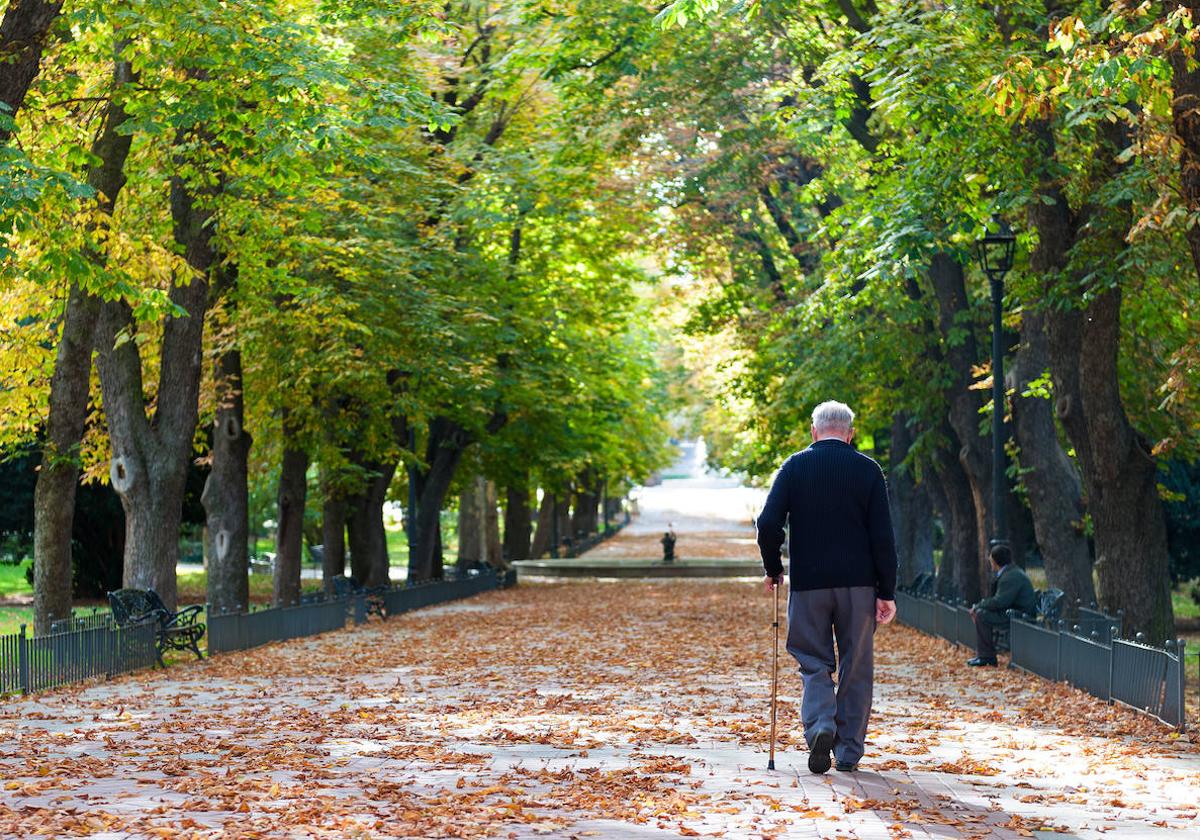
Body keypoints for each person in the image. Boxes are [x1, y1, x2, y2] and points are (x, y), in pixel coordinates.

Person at [757, 400, 898, 775]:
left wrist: (774, 568)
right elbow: (883, 537)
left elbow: (768, 523)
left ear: (813, 431)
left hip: (809, 586)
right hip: (859, 586)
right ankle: (849, 750)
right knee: (857, 664)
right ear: (850, 434)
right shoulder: (868, 470)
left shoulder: (795, 466)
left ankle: (821, 724)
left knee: (812, 660)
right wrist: (887, 591)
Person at [967, 543, 1037, 667]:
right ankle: (985, 655)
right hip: (1015, 612)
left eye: (990, 558)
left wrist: (978, 606)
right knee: (981, 613)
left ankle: (986, 657)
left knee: (981, 615)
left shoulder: (1010, 577)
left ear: (994, 561)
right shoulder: (1011, 572)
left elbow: (1000, 601)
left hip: (1018, 616)